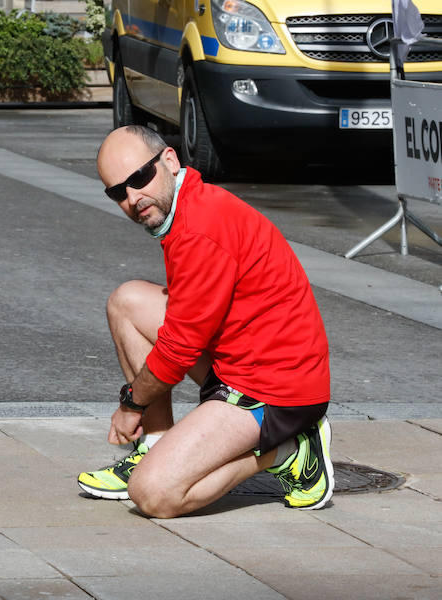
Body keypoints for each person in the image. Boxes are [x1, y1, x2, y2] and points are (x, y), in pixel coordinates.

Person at [77, 125, 333, 517]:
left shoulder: (200, 227)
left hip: (277, 391)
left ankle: (291, 451)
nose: (132, 197)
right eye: (117, 192)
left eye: (139, 178)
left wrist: (132, 405)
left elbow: (179, 349)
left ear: (169, 160)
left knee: (153, 495)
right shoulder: (187, 205)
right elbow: (184, 329)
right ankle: (153, 445)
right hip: (244, 361)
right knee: (127, 302)